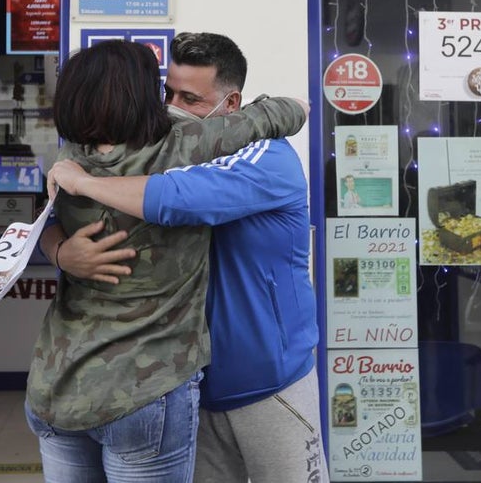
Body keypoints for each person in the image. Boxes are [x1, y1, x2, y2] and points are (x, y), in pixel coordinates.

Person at [47, 32, 327, 483]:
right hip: (187, 383)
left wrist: (84, 183)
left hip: (267, 380)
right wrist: (62, 251)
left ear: (231, 104)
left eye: (190, 98)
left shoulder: (265, 155)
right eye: (167, 92)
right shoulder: (157, 152)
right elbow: (48, 220)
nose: (171, 106)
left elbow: (179, 198)